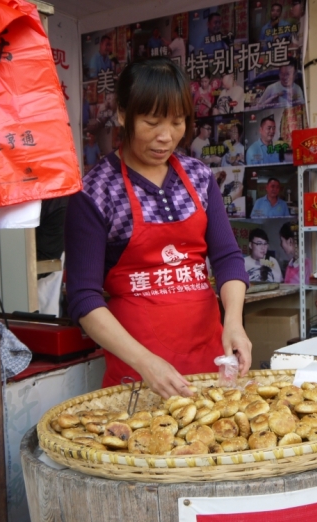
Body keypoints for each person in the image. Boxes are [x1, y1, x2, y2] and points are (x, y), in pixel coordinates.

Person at [65, 57, 252, 398]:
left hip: (209, 366)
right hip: (137, 376)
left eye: (178, 123)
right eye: (152, 123)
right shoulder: (96, 191)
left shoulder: (198, 177)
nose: (166, 137)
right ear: (123, 115)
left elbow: (227, 257)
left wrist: (234, 322)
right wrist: (145, 362)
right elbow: (83, 297)